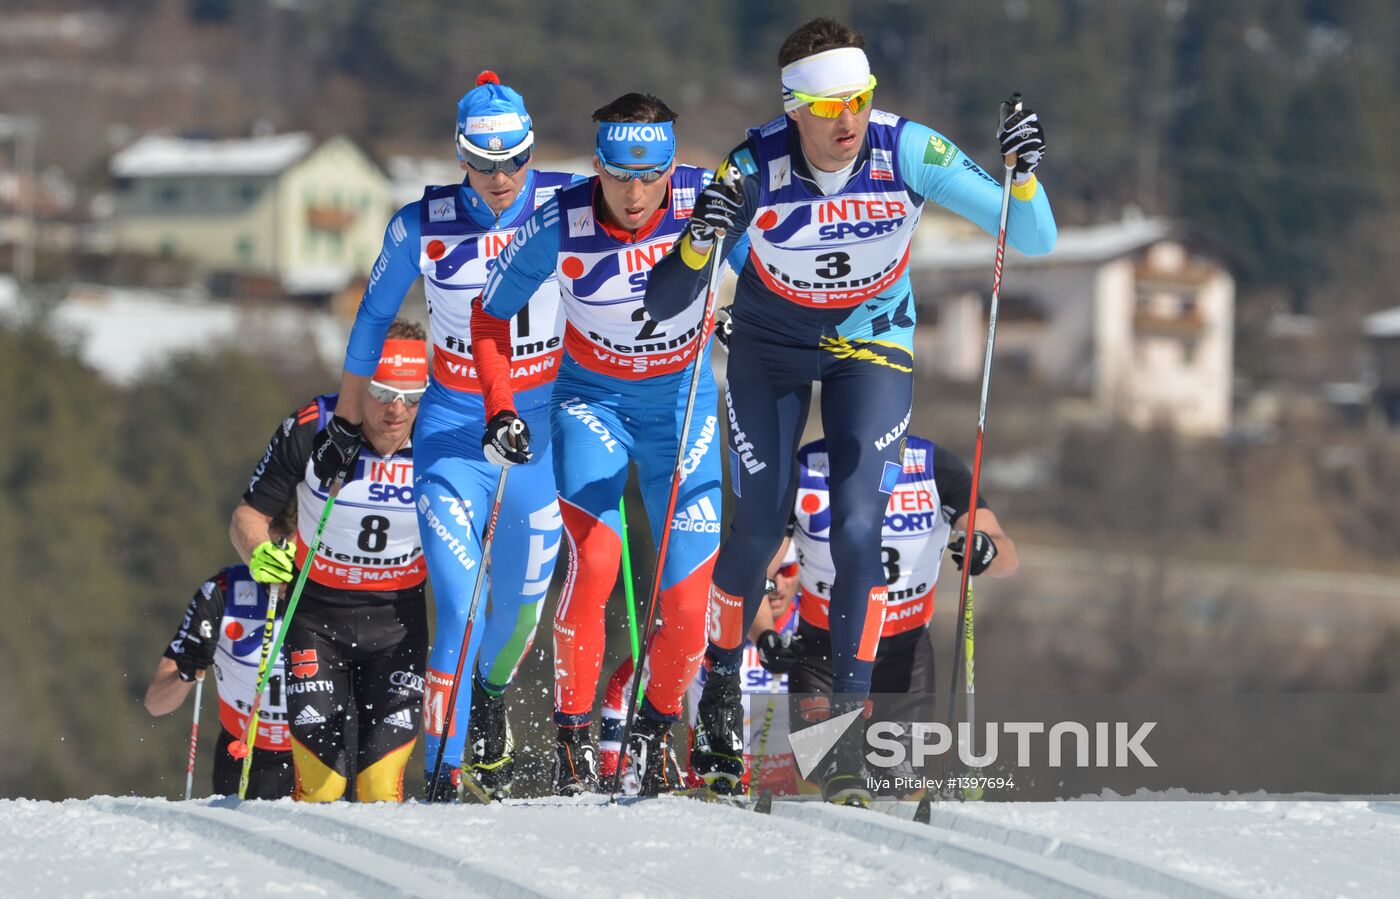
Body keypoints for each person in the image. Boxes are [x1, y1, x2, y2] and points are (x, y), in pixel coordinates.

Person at [643, 17, 1055, 799]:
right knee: (761, 526)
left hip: (871, 340)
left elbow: (1029, 235)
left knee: (860, 522)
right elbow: (667, 300)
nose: (849, 121)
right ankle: (723, 686)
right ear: (793, 107)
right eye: (830, 107)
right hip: (771, 345)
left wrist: (1024, 174)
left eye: (860, 100)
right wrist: (702, 237)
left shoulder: (907, 150)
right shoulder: (753, 164)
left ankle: (853, 732)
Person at [311, 72, 578, 801]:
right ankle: (443, 770)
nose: (502, 179)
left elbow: (655, 234)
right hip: (456, 430)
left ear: (532, 151)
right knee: (459, 605)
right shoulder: (420, 224)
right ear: (459, 156)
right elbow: (371, 321)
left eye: (515, 160)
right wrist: (344, 418)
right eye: (484, 163)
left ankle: (489, 698)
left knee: (520, 607)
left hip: (539, 430)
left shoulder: (567, 201)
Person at [470, 92, 745, 796]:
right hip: (592, 404)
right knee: (596, 561)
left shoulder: (704, 199)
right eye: (619, 174)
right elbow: (488, 318)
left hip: (682, 405)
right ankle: (572, 737)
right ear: (596, 166)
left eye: (650, 174)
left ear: (671, 167)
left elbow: (774, 277)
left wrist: (748, 320)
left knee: (688, 601)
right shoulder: (559, 221)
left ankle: (653, 728)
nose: (634, 191)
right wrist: (501, 407)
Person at [230, 320, 429, 803]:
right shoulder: (315, 425)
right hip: (316, 618)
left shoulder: (440, 432)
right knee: (322, 789)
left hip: (397, 623)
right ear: (359, 382)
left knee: (382, 789)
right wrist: (260, 554)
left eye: (411, 394)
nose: (396, 410)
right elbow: (248, 515)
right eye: (382, 392)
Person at [787, 434, 1018, 801]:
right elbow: (764, 555)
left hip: (902, 657)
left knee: (900, 786)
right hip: (825, 654)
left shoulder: (934, 466)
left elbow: (1006, 553)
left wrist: (984, 548)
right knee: (821, 781)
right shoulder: (807, 465)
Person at [144, 560, 294, 799]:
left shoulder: (332, 591)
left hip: (316, 753)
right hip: (241, 754)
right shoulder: (223, 591)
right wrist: (188, 671)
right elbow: (156, 703)